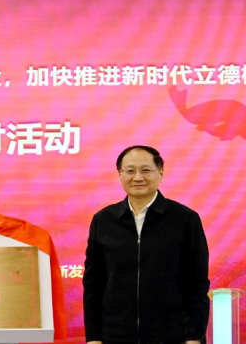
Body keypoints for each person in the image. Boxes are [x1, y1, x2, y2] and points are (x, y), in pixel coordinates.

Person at [83, 145, 210, 344]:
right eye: (130, 170)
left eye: (145, 170)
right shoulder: (104, 220)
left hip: (172, 336)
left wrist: (194, 336)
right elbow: (93, 284)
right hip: (116, 335)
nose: (137, 177)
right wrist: (93, 337)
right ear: (120, 174)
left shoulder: (185, 219)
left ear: (160, 172)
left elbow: (197, 282)